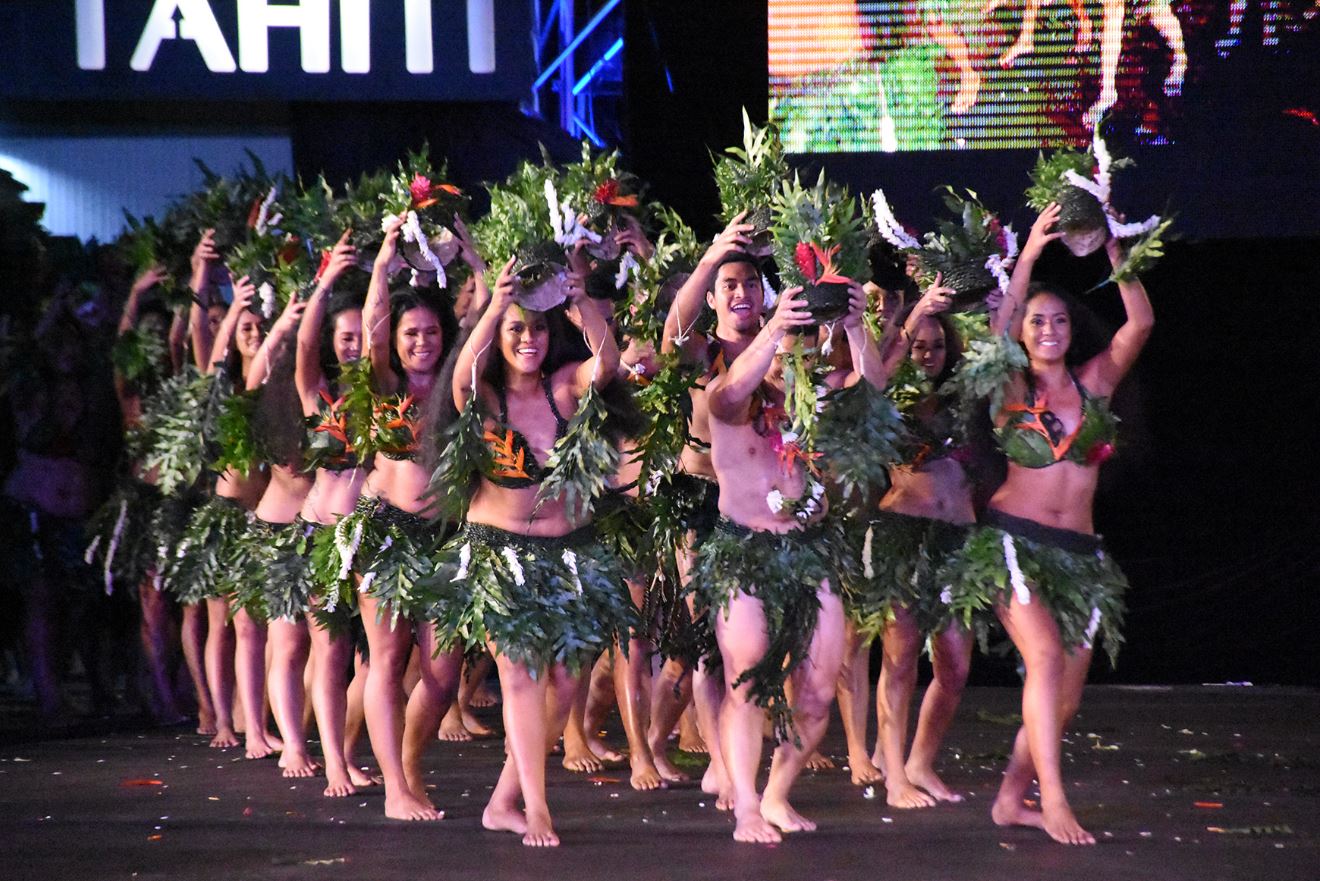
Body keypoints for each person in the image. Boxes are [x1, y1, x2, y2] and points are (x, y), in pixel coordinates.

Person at [942, 203, 1153, 845]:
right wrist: (1030, 252)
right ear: (1024, 332)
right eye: (1038, 321)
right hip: (1013, 544)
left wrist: (1115, 247)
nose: (1050, 329)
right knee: (1043, 658)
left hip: (1080, 557)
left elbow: (1140, 321)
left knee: (1065, 698)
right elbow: (999, 325)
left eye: (1060, 320)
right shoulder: (1008, 385)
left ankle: (1010, 798)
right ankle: (1055, 801)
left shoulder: (1095, 384)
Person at [429, 253, 633, 847]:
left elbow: (609, 363)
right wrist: (496, 304)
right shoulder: (485, 398)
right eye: (517, 328)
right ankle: (538, 809)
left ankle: (502, 802)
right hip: (499, 553)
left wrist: (579, 299)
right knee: (520, 676)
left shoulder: (564, 388)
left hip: (565, 555)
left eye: (536, 327)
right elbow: (462, 374)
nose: (529, 339)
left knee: (566, 682)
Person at [693, 279, 883, 843]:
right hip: (743, 551)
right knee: (747, 673)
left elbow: (873, 393)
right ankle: (746, 806)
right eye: (780, 350)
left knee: (822, 688)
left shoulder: (816, 396)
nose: (788, 360)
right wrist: (774, 328)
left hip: (809, 550)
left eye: (798, 348)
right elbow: (729, 393)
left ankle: (776, 793)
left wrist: (854, 326)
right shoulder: (727, 397)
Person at [331, 217, 465, 821]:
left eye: (431, 332)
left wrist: (472, 252)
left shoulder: (460, 386)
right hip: (386, 531)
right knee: (386, 661)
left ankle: (410, 764)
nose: (420, 342)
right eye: (412, 333)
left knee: (442, 674)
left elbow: (486, 310)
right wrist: (384, 260)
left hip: (446, 538)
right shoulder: (384, 383)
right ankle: (394, 788)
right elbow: (377, 325)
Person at [838, 278, 976, 805]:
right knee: (898, 659)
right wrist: (914, 312)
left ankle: (919, 761)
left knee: (955, 667)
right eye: (920, 344)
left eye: (938, 346)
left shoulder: (965, 396)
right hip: (900, 534)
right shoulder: (889, 397)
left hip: (957, 542)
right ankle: (892, 774)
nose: (928, 353)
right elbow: (873, 379)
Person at [294, 231, 377, 796]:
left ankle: (345, 753)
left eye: (358, 338)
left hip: (373, 536)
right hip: (323, 533)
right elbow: (302, 349)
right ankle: (329, 763)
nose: (351, 346)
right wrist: (325, 283)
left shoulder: (383, 397)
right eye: (342, 338)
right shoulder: (317, 395)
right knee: (330, 649)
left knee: (373, 656)